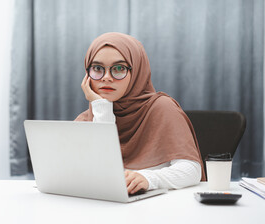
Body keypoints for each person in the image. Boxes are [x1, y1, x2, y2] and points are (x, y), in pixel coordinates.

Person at [75, 32, 206, 195]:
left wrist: (148, 178)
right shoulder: (87, 118)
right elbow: (99, 173)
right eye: (97, 68)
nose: (106, 78)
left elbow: (191, 171)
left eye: (119, 68)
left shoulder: (161, 108)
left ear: (136, 71)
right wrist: (102, 108)